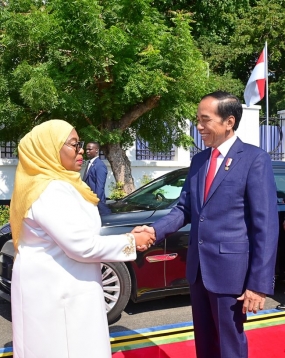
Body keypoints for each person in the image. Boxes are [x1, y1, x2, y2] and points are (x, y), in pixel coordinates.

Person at [134, 91, 279, 358]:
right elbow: (184, 209)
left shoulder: (254, 159)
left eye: (205, 120)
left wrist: (258, 284)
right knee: (205, 342)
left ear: (229, 122)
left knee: (230, 345)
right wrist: (154, 230)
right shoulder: (199, 160)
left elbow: (266, 227)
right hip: (199, 270)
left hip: (231, 273)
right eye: (197, 119)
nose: (198, 126)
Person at [9, 120, 154, 358]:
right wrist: (130, 242)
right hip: (58, 290)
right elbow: (81, 245)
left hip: (58, 283)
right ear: (49, 149)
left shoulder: (56, 184)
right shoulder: (51, 190)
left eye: (80, 145)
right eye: (74, 145)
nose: (81, 151)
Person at [83, 141, 110, 215]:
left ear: (96, 150)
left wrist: (96, 203)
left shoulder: (99, 165)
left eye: (90, 149)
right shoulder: (90, 163)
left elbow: (100, 187)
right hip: (88, 201)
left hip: (95, 204)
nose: (87, 151)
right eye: (86, 149)